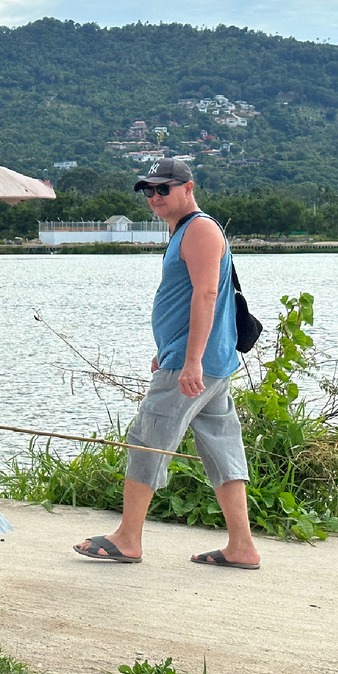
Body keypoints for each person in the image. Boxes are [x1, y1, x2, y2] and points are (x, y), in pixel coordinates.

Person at [74, 158, 261, 569]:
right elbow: (185, 298)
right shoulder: (185, 230)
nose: (154, 197)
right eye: (149, 191)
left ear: (187, 188)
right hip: (203, 359)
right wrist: (171, 347)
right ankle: (242, 546)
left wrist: (189, 360)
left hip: (195, 364)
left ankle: (127, 538)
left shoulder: (199, 229)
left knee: (146, 438)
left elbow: (207, 295)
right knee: (221, 444)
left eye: (164, 189)